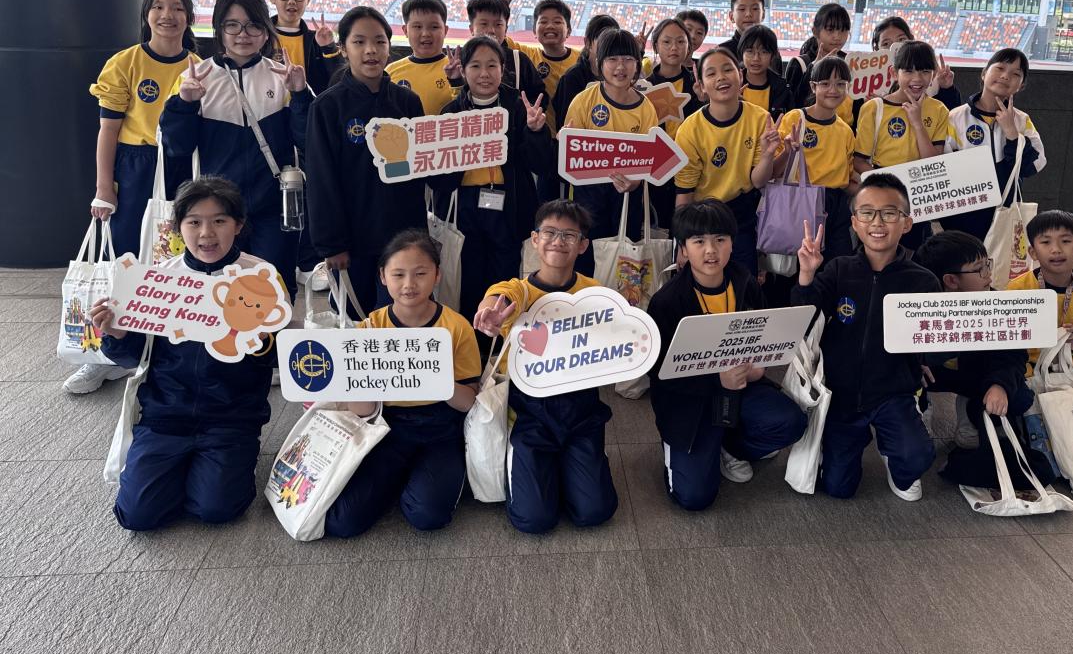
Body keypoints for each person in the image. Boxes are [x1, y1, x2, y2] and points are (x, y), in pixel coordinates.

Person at [88, 176, 277, 530]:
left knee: (217, 508)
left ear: (238, 225)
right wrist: (116, 334)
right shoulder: (158, 280)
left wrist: (263, 339)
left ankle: (216, 467)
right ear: (178, 227)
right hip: (165, 414)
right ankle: (182, 470)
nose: (206, 233)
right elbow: (133, 359)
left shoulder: (259, 278)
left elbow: (274, 359)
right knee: (137, 515)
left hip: (230, 417)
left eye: (219, 220)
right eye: (194, 222)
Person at [73, 0, 199, 395]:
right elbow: (108, 130)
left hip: (181, 169)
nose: (168, 15)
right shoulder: (125, 63)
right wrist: (103, 187)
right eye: (158, 7)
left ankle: (162, 351)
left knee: (172, 261)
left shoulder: (199, 66)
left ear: (188, 16)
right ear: (146, 15)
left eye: (177, 7)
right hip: (134, 167)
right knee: (123, 259)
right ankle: (104, 355)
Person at [646, 200, 806, 509]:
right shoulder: (667, 302)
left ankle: (731, 448)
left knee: (791, 422)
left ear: (733, 243)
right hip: (690, 401)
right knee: (694, 497)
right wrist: (715, 379)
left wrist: (758, 367)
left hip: (741, 388)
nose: (711, 250)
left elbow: (764, 336)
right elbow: (659, 373)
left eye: (720, 239)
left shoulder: (744, 282)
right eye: (698, 241)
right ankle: (690, 448)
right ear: (683, 249)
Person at [323, 229, 482, 537]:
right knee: (343, 522)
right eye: (398, 274)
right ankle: (402, 478)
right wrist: (358, 383)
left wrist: (436, 379)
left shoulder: (456, 327)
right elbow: (361, 410)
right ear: (383, 277)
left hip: (442, 428)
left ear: (437, 275)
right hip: (387, 428)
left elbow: (468, 403)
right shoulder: (370, 328)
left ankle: (421, 480)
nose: (409, 284)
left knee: (429, 516)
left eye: (420, 274)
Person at [473, 200, 618, 534]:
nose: (558, 241)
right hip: (528, 413)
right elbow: (497, 298)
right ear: (535, 239)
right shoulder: (519, 291)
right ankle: (538, 464)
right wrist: (489, 313)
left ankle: (571, 468)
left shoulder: (595, 293)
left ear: (583, 245)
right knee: (533, 519)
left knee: (595, 512)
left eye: (569, 235)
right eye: (550, 232)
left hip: (581, 409)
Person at [791, 173, 939, 500]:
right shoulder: (839, 269)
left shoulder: (923, 281)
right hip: (841, 392)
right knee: (838, 488)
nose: (878, 222)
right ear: (855, 223)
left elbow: (933, 337)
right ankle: (855, 445)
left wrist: (926, 362)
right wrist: (807, 275)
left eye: (889, 213)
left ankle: (894, 456)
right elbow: (805, 319)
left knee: (916, 456)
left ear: (907, 223)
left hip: (893, 391)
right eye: (867, 213)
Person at [161, 0, 311, 299]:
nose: (243, 34)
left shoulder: (282, 76)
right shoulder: (196, 77)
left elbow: (307, 139)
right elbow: (176, 146)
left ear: (266, 31)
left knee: (275, 289)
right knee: (218, 290)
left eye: (253, 25)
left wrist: (299, 95)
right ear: (219, 29)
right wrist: (185, 104)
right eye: (232, 25)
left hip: (273, 207)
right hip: (218, 212)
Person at [306, 6, 428, 318]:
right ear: (343, 48)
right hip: (352, 242)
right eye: (359, 42)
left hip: (403, 238)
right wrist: (332, 244)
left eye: (379, 41)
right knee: (354, 322)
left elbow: (422, 170)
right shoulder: (327, 106)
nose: (371, 50)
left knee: (402, 317)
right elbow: (321, 180)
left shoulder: (408, 102)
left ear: (389, 46)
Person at [428, 36, 552, 340]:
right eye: (475, 66)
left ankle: (502, 341)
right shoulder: (451, 112)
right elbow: (438, 178)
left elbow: (541, 164)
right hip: (465, 206)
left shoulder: (520, 107)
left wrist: (536, 131)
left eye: (492, 66)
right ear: (463, 70)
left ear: (503, 68)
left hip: (509, 204)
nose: (484, 74)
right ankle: (471, 340)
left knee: (505, 272)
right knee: (467, 274)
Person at [913, 232, 1034, 449]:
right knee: (908, 377)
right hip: (933, 376)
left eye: (987, 264)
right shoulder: (917, 307)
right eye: (980, 269)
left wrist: (999, 385)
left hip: (975, 375)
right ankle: (920, 407)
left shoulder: (997, 304)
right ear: (951, 281)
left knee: (1020, 398)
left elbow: (1013, 356)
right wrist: (914, 364)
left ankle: (971, 409)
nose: (988, 273)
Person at [674, 47, 782, 271]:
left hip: (742, 214)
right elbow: (684, 193)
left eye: (727, 70)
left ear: (740, 75)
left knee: (744, 280)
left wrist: (768, 154)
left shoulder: (760, 118)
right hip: (702, 217)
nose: (721, 77)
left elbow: (758, 181)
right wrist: (682, 243)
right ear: (701, 85)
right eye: (711, 73)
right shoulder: (690, 129)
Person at [562, 29, 657, 274]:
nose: (620, 67)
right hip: (588, 195)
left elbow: (650, 159)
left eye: (628, 59)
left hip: (628, 195)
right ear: (599, 63)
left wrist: (636, 181)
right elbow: (569, 155)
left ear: (637, 63)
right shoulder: (584, 101)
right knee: (587, 259)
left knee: (625, 265)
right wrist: (566, 143)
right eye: (612, 59)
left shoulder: (646, 108)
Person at [854, 40, 951, 251]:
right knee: (876, 251)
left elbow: (933, 162)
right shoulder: (874, 108)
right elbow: (858, 160)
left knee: (912, 255)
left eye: (925, 71)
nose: (917, 79)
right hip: (880, 192)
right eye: (908, 71)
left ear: (933, 74)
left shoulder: (938, 110)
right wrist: (886, 186)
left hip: (919, 194)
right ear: (893, 72)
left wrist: (917, 123)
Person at [943, 48, 1046, 240]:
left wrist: (1012, 134)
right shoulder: (956, 117)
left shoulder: (1021, 121)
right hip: (963, 219)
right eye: (1000, 68)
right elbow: (945, 171)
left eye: (1016, 74)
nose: (1006, 76)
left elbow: (1033, 165)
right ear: (984, 73)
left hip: (1005, 216)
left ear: (1021, 85)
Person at [1009, 210, 1073, 369]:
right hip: (1023, 370)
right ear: (1033, 253)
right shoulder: (1017, 290)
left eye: (1065, 241)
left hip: (1067, 371)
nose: (1056, 249)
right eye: (1046, 242)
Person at [776, 56, 858, 261]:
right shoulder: (795, 119)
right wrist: (787, 152)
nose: (833, 90)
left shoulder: (845, 131)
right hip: (800, 201)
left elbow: (847, 179)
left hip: (836, 206)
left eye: (840, 84)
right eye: (825, 83)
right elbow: (774, 171)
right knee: (800, 265)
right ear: (813, 87)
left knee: (838, 264)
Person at [642, 17, 701, 230]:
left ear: (689, 46)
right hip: (656, 170)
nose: (674, 47)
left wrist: (703, 100)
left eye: (680, 41)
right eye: (666, 42)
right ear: (656, 45)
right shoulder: (644, 87)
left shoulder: (698, 85)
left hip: (691, 167)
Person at [265, 0, 340, 95]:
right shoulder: (261, 37)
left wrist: (329, 47)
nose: (292, 1)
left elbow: (338, 80)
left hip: (308, 106)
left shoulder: (317, 41)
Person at [465, 0, 545, 110]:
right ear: (472, 29)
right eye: (484, 24)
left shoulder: (519, 60)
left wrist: (526, 112)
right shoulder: (461, 60)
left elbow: (539, 95)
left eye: (498, 24)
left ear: (506, 29)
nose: (491, 30)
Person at [386, 0, 460, 116]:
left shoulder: (457, 70)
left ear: (445, 30)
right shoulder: (390, 72)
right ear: (405, 30)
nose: (425, 33)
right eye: (417, 27)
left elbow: (467, 110)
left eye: (434, 27)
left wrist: (457, 82)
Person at [513, 0, 579, 130]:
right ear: (534, 31)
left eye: (557, 21)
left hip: (570, 134)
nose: (550, 26)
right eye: (543, 21)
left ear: (569, 31)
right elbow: (497, 37)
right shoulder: (525, 55)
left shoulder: (581, 59)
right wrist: (506, 0)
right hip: (536, 134)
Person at [552, 13, 619, 131]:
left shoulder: (619, 77)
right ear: (588, 43)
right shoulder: (572, 79)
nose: (609, 47)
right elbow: (565, 125)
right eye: (603, 40)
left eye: (613, 42)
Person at [785, 2, 852, 111]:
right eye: (830, 30)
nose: (837, 36)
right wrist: (813, 69)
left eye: (843, 30)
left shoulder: (850, 62)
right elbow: (793, 106)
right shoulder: (800, 64)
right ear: (815, 32)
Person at [720, 0, 782, 74]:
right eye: (742, 9)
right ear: (731, 16)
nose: (748, 14)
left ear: (763, 15)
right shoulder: (722, 51)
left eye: (755, 9)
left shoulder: (771, 50)